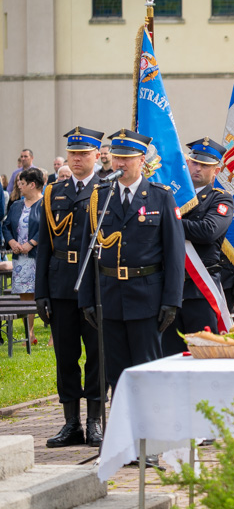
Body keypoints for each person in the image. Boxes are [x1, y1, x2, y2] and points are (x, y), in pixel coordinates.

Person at [78, 129, 185, 390]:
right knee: (116, 374)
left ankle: (150, 429)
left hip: (146, 298)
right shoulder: (100, 197)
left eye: (127, 158)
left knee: (148, 371)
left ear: (142, 161)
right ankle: (121, 429)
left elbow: (174, 254)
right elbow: (87, 251)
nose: (120, 163)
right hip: (110, 297)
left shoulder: (161, 196)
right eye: (116, 157)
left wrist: (171, 301)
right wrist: (87, 299)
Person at [35, 127, 105, 448]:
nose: (77, 158)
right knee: (65, 356)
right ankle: (71, 423)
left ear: (96, 154)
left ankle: (94, 421)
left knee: (96, 356)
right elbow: (45, 247)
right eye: (72, 153)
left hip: (95, 284)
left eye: (83, 153)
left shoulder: (106, 191)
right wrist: (40, 293)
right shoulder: (53, 192)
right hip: (61, 284)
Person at [161, 138, 234, 355]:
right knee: (170, 354)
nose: (198, 168)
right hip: (171, 286)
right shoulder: (169, 196)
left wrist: (170, 221)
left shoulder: (220, 199)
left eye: (205, 165)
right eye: (194, 163)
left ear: (216, 170)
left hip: (200, 288)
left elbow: (208, 231)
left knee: (206, 353)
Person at [2, 167, 43, 345]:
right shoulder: (17, 205)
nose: (19, 187)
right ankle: (29, 333)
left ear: (32, 185)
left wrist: (32, 243)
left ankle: (51, 335)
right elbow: (6, 226)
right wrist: (11, 242)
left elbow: (48, 229)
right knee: (25, 296)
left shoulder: (44, 204)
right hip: (21, 259)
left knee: (38, 294)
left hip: (38, 257)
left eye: (22, 184)